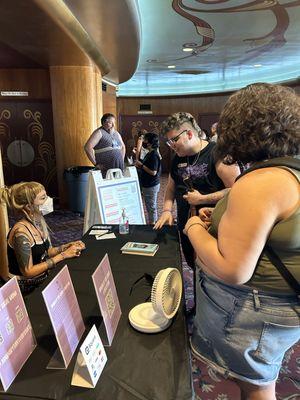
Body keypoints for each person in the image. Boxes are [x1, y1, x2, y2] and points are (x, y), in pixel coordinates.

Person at [184, 83, 300, 399]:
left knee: (256, 386)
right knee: (262, 378)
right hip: (282, 305)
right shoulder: (290, 171)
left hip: (255, 310)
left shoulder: (262, 181)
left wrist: (193, 226)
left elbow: (233, 269)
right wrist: (221, 219)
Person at [154, 112, 240, 270]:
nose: (172, 145)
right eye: (169, 142)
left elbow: (238, 190)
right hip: (186, 224)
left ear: (189, 134)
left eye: (174, 140)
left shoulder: (217, 153)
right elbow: (171, 187)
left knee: (211, 270)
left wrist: (202, 199)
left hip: (213, 226)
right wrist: (166, 210)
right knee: (193, 265)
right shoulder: (178, 158)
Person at [0, 182, 85, 294]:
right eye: (43, 198)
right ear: (29, 206)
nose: (48, 200)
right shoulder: (21, 234)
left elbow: (47, 252)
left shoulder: (38, 222)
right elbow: (28, 272)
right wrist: (63, 255)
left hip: (41, 279)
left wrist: (65, 247)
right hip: (26, 288)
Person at [84, 113, 126, 177]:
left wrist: (121, 159)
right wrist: (96, 164)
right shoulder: (99, 132)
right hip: (106, 167)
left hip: (119, 166)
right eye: (110, 123)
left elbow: (123, 147)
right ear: (104, 122)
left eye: (114, 123)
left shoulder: (116, 133)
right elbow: (87, 147)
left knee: (118, 185)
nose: (113, 125)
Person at [135, 132, 161, 224]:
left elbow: (153, 172)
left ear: (149, 143)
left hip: (151, 184)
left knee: (151, 206)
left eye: (145, 140)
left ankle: (153, 224)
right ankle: (153, 221)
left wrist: (141, 165)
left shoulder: (153, 154)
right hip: (148, 183)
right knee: (150, 205)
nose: (143, 142)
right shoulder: (150, 153)